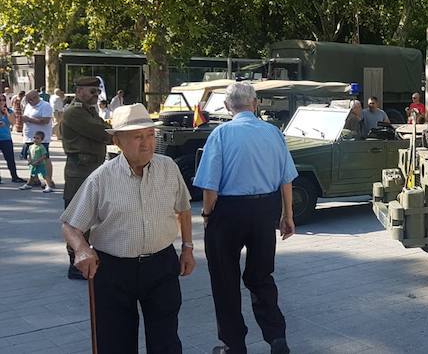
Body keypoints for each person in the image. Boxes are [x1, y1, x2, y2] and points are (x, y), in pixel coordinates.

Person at [60, 103, 194, 353]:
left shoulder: (168, 167)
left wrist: (187, 248)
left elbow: (184, 209)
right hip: (114, 270)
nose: (146, 143)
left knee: (166, 341)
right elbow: (70, 225)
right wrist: (81, 249)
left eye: (150, 135)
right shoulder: (101, 178)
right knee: (115, 342)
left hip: (161, 265)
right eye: (137, 137)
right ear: (118, 141)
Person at [194, 82, 296, 354]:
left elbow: (210, 186)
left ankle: (233, 344)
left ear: (227, 107)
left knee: (225, 280)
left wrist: (206, 215)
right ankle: (277, 337)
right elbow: (286, 179)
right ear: (255, 104)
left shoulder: (221, 134)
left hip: (228, 211)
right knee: (261, 275)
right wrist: (288, 215)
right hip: (265, 210)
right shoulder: (274, 133)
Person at [60, 77, 112, 280]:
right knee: (76, 218)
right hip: (80, 170)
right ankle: (75, 264)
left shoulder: (88, 111)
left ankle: (84, 258)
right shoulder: (75, 112)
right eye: (92, 92)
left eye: (97, 92)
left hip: (90, 168)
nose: (96, 96)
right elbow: (102, 132)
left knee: (91, 216)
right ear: (80, 91)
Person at [21, 91, 53, 183]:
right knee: (32, 157)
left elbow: (46, 120)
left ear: (36, 97)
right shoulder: (28, 106)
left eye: (30, 100)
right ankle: (35, 179)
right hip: (30, 137)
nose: (29, 102)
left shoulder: (45, 105)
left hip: (42, 138)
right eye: (27, 100)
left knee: (45, 158)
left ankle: (48, 180)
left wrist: (29, 120)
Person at [0, 96, 25, 184]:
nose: (2, 102)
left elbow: (13, 122)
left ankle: (14, 176)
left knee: (10, 159)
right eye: (0, 100)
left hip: (6, 138)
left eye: (3, 100)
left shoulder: (9, 111)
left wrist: (6, 113)